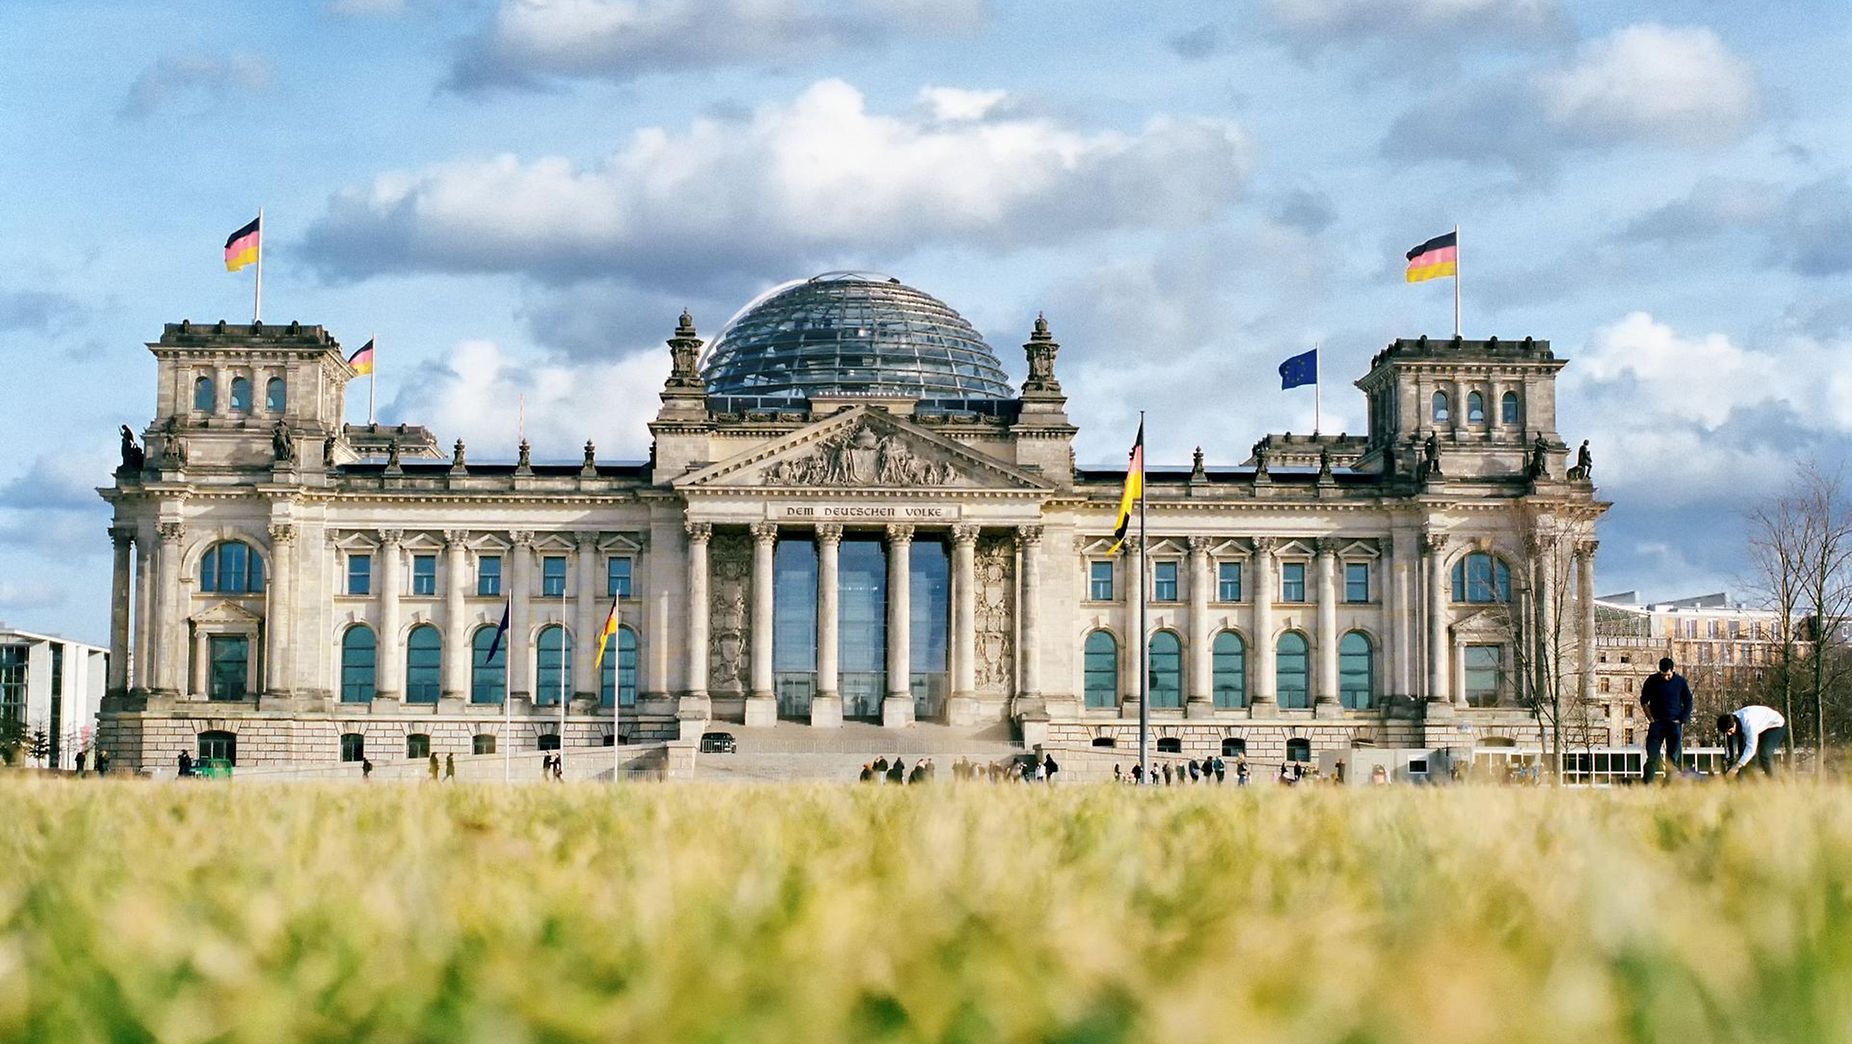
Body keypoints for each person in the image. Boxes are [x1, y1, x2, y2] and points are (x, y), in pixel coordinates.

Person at [1640, 657, 1693, 783]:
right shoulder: (1652, 680)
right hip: (1657, 724)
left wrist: (1682, 719)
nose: (1665, 678)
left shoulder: (1680, 682)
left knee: (1672, 759)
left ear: (1672, 671)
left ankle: (1669, 786)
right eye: (1663, 675)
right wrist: (1650, 718)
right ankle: (1647, 785)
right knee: (1652, 756)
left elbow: (1688, 701)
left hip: (1674, 724)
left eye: (1668, 675)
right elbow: (1643, 701)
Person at [1718, 705, 1787, 778]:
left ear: (1734, 724)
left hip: (1775, 726)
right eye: (1727, 733)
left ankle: (1775, 782)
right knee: (1746, 757)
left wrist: (1736, 768)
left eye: (1730, 731)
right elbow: (1734, 748)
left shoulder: (1749, 725)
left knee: (1764, 754)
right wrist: (1730, 759)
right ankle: (1747, 781)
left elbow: (1751, 749)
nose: (1729, 734)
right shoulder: (1733, 720)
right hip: (1760, 726)